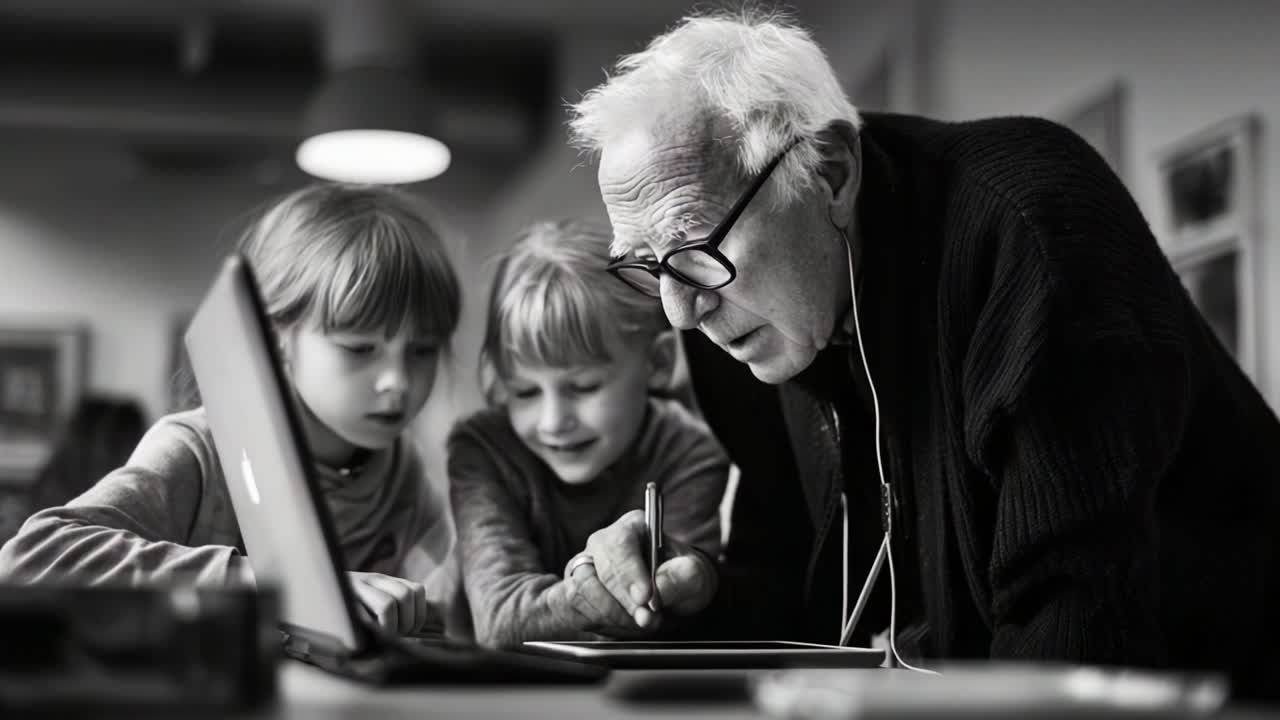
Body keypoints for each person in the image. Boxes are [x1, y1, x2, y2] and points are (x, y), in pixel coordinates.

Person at [563, 10, 1280, 695]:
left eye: (693, 247)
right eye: (649, 265)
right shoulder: (741, 309)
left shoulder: (1027, 230)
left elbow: (1073, 643)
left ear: (831, 174)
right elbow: (792, 591)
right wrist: (700, 594)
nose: (680, 312)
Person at [0, 183, 461, 636]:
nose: (398, 381)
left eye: (422, 350)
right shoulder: (199, 448)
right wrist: (282, 588)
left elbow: (450, 611)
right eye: (360, 349)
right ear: (276, 337)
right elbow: (34, 556)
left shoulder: (402, 469)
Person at [447, 219, 729, 648]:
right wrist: (598, 587)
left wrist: (694, 580)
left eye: (583, 387)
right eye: (524, 392)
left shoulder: (690, 452)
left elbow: (678, 620)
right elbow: (500, 619)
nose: (552, 421)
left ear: (657, 363)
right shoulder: (482, 451)